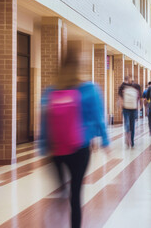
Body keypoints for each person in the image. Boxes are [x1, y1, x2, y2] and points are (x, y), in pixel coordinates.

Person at [39, 44, 110, 228]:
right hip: (80, 147)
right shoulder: (89, 89)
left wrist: (43, 147)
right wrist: (104, 141)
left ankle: (60, 195)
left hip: (57, 149)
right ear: (81, 65)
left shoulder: (51, 90)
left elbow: (44, 121)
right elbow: (98, 117)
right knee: (76, 194)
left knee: (63, 188)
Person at [118, 77, 141, 148]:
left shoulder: (122, 87)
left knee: (127, 123)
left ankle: (127, 136)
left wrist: (121, 106)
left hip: (126, 108)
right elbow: (139, 97)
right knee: (132, 125)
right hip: (133, 108)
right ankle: (132, 140)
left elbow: (120, 97)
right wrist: (138, 106)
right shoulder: (137, 87)